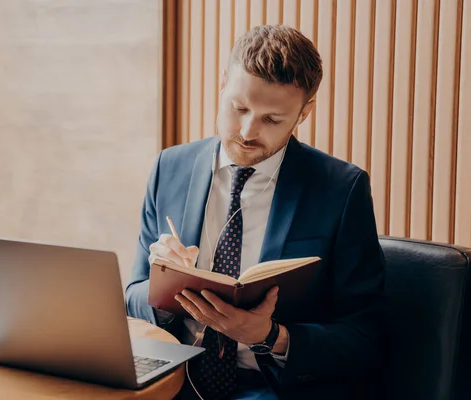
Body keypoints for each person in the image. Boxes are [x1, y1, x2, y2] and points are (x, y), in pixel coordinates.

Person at [125, 24, 385, 400]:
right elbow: (132, 296)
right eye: (239, 108)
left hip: (272, 388)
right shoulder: (171, 167)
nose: (247, 131)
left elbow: (365, 334)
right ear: (222, 85)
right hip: (173, 383)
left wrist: (270, 336)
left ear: (304, 112)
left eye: (272, 119)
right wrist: (163, 290)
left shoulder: (341, 190)